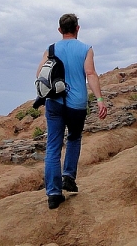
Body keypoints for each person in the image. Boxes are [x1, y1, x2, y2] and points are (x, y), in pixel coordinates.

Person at [36, 13, 107, 209]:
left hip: (55, 103)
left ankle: (53, 193)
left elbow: (39, 74)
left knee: (53, 147)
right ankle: (68, 175)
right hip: (77, 104)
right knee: (74, 138)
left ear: (60, 30)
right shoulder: (86, 49)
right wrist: (100, 100)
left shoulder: (51, 49)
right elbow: (90, 73)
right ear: (77, 28)